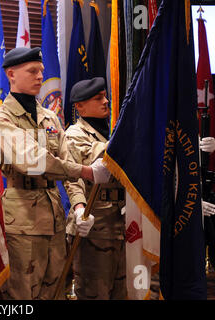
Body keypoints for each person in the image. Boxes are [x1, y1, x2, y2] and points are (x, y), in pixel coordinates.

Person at [0, 47, 109, 300]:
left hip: (54, 218)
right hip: (21, 222)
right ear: (11, 74)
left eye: (41, 71)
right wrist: (87, 171)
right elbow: (33, 161)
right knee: (22, 295)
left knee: (55, 291)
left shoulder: (50, 118)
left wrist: (78, 207)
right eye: (32, 71)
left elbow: (67, 163)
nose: (39, 77)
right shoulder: (0, 119)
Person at [64, 77, 127, 300]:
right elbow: (73, 178)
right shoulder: (74, 135)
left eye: (105, 96)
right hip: (93, 227)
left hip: (120, 226)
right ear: (79, 106)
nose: (106, 101)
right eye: (98, 98)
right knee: (94, 293)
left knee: (121, 292)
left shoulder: (109, 133)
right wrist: (80, 209)